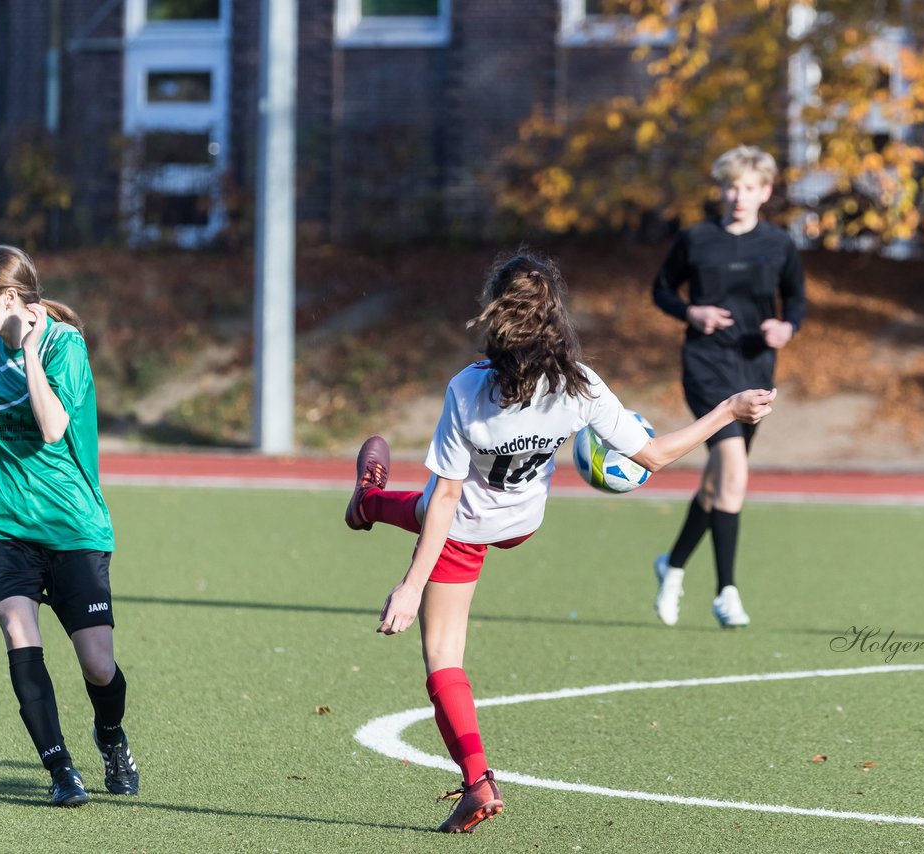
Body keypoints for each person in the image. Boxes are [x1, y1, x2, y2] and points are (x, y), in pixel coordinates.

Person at [344, 250, 775, 834]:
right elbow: (654, 455)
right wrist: (729, 408)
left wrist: (410, 585)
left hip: (464, 529)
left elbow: (446, 502)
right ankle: (367, 503)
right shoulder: (581, 385)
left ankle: (477, 782)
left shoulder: (468, 391)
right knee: (429, 505)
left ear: (493, 317)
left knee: (443, 652)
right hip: (522, 522)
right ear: (556, 320)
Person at [0, 245, 138, 807]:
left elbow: (53, 426)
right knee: (17, 633)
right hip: (5, 526)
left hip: (73, 528)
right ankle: (60, 770)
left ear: (11, 298)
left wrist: (30, 353)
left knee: (99, 665)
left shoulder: (65, 346)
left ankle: (109, 737)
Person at [650, 145, 807, 628]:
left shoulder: (780, 244)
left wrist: (787, 328)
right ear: (722, 189)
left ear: (766, 192)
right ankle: (726, 592)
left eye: (749, 187)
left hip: (755, 368)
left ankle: (672, 565)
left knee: (720, 482)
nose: (739, 195)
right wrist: (689, 312)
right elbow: (661, 290)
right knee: (734, 471)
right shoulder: (696, 240)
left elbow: (796, 299)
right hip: (706, 366)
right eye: (731, 186)